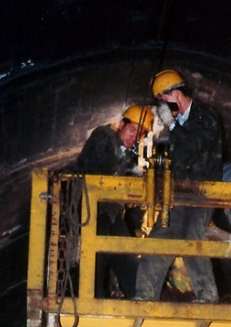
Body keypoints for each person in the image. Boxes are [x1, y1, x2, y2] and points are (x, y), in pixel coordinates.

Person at [134, 69, 223, 303]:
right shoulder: (180, 124)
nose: (163, 106)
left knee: (191, 237)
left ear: (175, 93)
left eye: (163, 99)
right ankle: (144, 295)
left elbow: (195, 146)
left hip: (202, 192)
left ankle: (208, 296)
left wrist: (172, 124)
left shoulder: (205, 115)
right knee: (159, 239)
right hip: (179, 194)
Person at [76, 105, 154, 297]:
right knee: (100, 259)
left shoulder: (127, 154)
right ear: (121, 124)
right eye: (132, 129)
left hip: (110, 213)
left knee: (121, 255)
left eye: (140, 134)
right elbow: (101, 168)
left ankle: (138, 298)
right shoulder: (103, 136)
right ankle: (98, 300)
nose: (134, 137)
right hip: (93, 210)